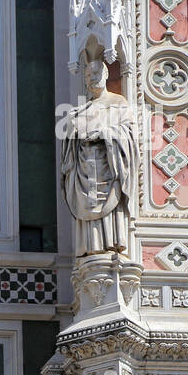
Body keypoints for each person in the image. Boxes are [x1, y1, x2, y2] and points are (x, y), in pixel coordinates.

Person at [60, 59, 136, 256]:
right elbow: (70, 143)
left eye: (95, 74)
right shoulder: (81, 110)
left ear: (106, 75)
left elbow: (128, 133)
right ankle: (92, 248)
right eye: (87, 76)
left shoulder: (118, 103)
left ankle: (112, 243)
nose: (91, 79)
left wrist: (103, 133)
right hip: (86, 170)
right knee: (89, 205)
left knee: (111, 203)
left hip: (108, 166)